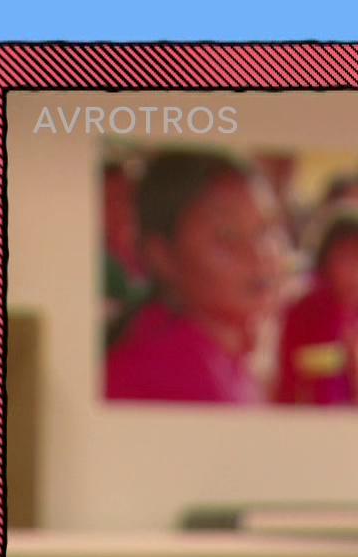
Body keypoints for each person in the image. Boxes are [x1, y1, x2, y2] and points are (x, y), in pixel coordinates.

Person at [105, 149, 286, 404]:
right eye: (227, 236)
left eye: (265, 230)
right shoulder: (156, 374)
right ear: (161, 255)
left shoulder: (222, 353)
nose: (259, 253)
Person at [275, 203, 358, 406]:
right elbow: (303, 375)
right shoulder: (308, 310)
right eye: (352, 258)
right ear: (326, 258)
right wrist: (346, 359)